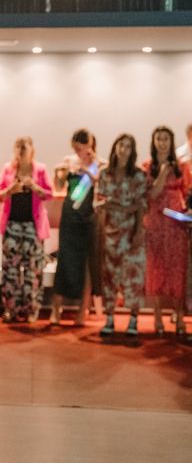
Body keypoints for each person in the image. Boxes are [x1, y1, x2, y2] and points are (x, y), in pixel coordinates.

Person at [0, 137, 53, 323]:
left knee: (33, 269)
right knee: (10, 268)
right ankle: (10, 308)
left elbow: (49, 194)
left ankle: (31, 309)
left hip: (32, 227)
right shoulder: (8, 169)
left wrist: (33, 186)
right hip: (12, 225)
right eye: (17, 147)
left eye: (23, 147)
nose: (20, 150)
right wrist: (12, 189)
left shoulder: (41, 169)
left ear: (31, 150)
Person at [51, 129, 104, 326]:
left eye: (82, 146)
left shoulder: (99, 163)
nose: (79, 150)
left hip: (89, 216)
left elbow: (101, 184)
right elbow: (57, 186)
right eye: (76, 147)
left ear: (90, 144)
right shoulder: (68, 161)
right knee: (64, 260)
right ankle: (56, 310)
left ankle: (82, 312)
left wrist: (87, 168)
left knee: (87, 263)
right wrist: (59, 173)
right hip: (70, 216)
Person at [97, 134, 147, 337]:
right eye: (121, 145)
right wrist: (122, 207)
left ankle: (133, 319)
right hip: (109, 233)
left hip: (131, 232)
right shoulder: (104, 174)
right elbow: (100, 204)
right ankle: (109, 318)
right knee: (109, 277)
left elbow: (141, 206)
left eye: (128, 146)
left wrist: (138, 232)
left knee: (133, 276)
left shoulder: (138, 175)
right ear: (115, 147)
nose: (124, 149)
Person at [143, 126, 190, 336]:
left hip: (176, 222)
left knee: (177, 268)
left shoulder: (182, 166)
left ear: (171, 142)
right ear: (154, 142)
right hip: (156, 221)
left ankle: (179, 317)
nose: (162, 143)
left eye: (166, 139)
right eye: (158, 139)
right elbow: (151, 194)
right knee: (156, 268)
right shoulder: (148, 166)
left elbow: (187, 192)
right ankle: (158, 317)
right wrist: (163, 172)